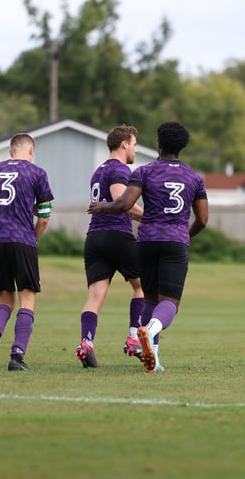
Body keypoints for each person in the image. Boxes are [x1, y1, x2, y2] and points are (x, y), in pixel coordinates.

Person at [88, 121, 208, 372]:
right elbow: (203, 220)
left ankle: (153, 359)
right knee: (170, 303)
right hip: (175, 241)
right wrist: (184, 235)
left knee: (150, 299)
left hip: (147, 241)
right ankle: (153, 329)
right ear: (182, 147)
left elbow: (123, 203)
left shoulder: (144, 172)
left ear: (159, 144)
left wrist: (103, 206)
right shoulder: (194, 177)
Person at [0, 132, 54, 372]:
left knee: (5, 296)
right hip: (22, 240)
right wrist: (33, 240)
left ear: (11, 152)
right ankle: (17, 356)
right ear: (31, 151)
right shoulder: (37, 172)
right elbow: (44, 218)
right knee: (27, 296)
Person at [76, 125, 145, 368]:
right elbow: (121, 201)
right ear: (124, 144)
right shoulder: (119, 168)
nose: (135, 149)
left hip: (94, 238)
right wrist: (149, 217)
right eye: (134, 143)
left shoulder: (99, 170)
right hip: (116, 234)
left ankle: (86, 342)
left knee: (95, 296)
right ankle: (134, 338)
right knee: (143, 286)